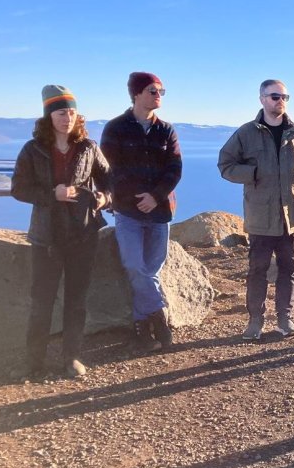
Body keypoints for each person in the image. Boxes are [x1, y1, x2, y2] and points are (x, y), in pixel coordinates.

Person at [11, 85, 111, 378]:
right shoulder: (32, 150)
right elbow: (18, 188)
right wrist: (51, 194)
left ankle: (72, 359)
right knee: (41, 303)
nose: (67, 118)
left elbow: (108, 178)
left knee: (76, 301)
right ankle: (34, 364)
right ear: (48, 116)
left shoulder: (88, 147)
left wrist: (105, 197)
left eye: (71, 112)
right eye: (60, 112)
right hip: (46, 237)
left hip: (83, 234)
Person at [218, 79, 294, 341]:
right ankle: (255, 321)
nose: (281, 101)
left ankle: (284, 319)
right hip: (260, 217)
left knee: (289, 270)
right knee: (257, 271)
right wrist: (252, 172)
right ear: (262, 99)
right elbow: (225, 165)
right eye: (275, 96)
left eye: (285, 97)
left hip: (292, 218)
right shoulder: (246, 133)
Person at [100, 72, 182, 353]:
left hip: (160, 212)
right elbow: (109, 169)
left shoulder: (166, 130)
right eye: (152, 90)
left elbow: (174, 168)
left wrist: (155, 196)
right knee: (136, 266)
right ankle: (159, 315)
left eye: (161, 90)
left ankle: (141, 328)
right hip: (128, 212)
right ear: (136, 94)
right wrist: (139, 198)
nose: (158, 94)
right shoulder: (115, 128)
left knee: (150, 270)